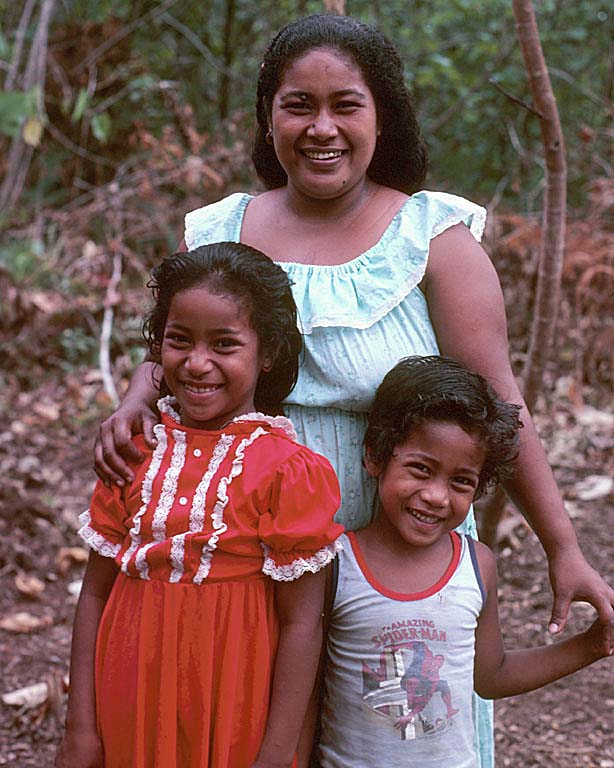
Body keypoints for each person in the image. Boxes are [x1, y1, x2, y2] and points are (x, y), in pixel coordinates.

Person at [92, 14, 614, 767]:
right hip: (252, 539)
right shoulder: (220, 232)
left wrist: (563, 547)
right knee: (262, 725)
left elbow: (500, 402)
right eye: (298, 105)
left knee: (401, 731)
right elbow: (181, 350)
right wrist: (135, 397)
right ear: (268, 115)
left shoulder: (433, 240)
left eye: (346, 105)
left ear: (383, 116)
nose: (321, 128)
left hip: (402, 529)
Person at [56, 243, 344, 768]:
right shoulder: (134, 453)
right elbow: (94, 594)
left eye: (224, 344)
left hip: (235, 704)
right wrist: (81, 729)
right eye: (179, 340)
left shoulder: (288, 471)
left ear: (268, 352)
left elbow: (303, 624)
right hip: (128, 694)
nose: (196, 363)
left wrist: (277, 754)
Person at [318, 356, 613, 767]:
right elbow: (303, 692)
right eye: (421, 469)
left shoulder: (476, 566)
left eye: (460, 481)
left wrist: (592, 645)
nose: (437, 496)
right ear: (375, 457)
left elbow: (492, 676)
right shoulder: (334, 565)